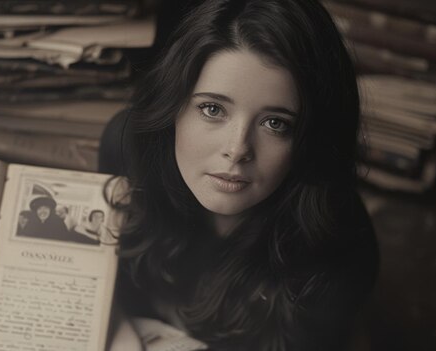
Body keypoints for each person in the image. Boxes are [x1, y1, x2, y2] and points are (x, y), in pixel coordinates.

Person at [100, 0, 379, 350]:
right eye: (212, 109)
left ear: (311, 139)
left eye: (275, 123)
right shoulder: (128, 148)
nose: (237, 149)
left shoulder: (338, 249)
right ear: (174, 106)